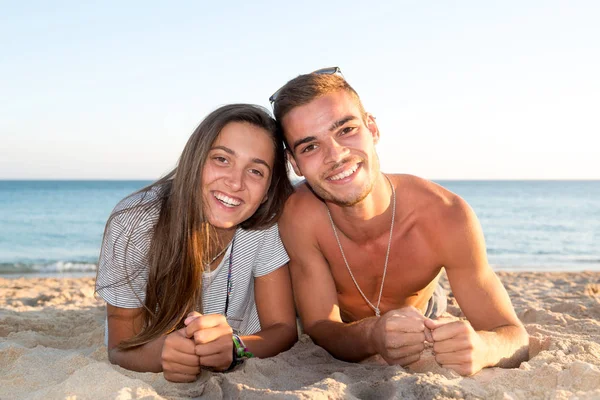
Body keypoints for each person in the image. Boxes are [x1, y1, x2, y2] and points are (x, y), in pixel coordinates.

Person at [271, 68, 529, 376]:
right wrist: (372, 334)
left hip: (422, 312)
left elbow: (513, 335)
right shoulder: (298, 216)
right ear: (294, 163)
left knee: (434, 304)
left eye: (346, 130)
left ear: (373, 129)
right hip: (354, 322)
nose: (335, 155)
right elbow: (321, 328)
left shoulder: (446, 215)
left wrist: (484, 347)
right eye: (310, 146)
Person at [95, 104, 297, 382]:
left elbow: (283, 329)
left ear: (266, 192)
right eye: (222, 159)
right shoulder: (134, 223)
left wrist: (238, 347)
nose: (235, 183)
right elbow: (119, 349)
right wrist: (162, 354)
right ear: (195, 161)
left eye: (255, 172)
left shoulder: (262, 227)